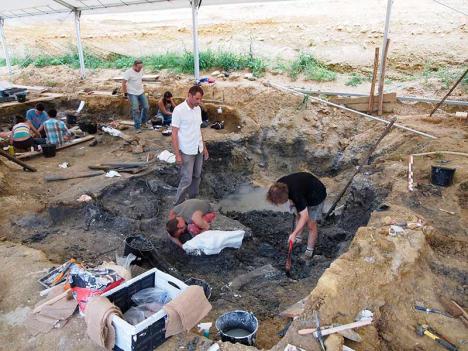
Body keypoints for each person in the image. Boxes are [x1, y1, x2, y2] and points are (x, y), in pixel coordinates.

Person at [267, 172, 327, 259]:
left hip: (316, 195)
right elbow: (295, 203)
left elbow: (305, 216)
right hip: (304, 189)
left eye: (280, 202)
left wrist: (293, 233)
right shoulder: (278, 185)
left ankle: (309, 251)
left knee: (311, 224)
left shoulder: (296, 194)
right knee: (298, 214)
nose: (279, 204)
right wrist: (292, 203)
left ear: (285, 196)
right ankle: (298, 239)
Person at [171, 85, 209, 205]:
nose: (199, 101)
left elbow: (199, 130)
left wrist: (204, 147)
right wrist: (177, 154)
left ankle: (192, 201)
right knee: (187, 179)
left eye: (200, 99)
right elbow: (174, 134)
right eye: (197, 99)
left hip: (198, 148)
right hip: (187, 150)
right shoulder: (179, 110)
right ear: (190, 95)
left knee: (197, 176)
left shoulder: (198, 109)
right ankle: (178, 204)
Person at [122, 59, 149, 133]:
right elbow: (123, 83)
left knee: (146, 107)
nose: (140, 69)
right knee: (136, 110)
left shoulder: (141, 70)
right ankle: (137, 127)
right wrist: (125, 94)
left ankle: (143, 123)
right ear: (134, 66)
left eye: (141, 67)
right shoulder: (128, 72)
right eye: (139, 68)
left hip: (141, 92)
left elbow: (139, 79)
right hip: (132, 93)